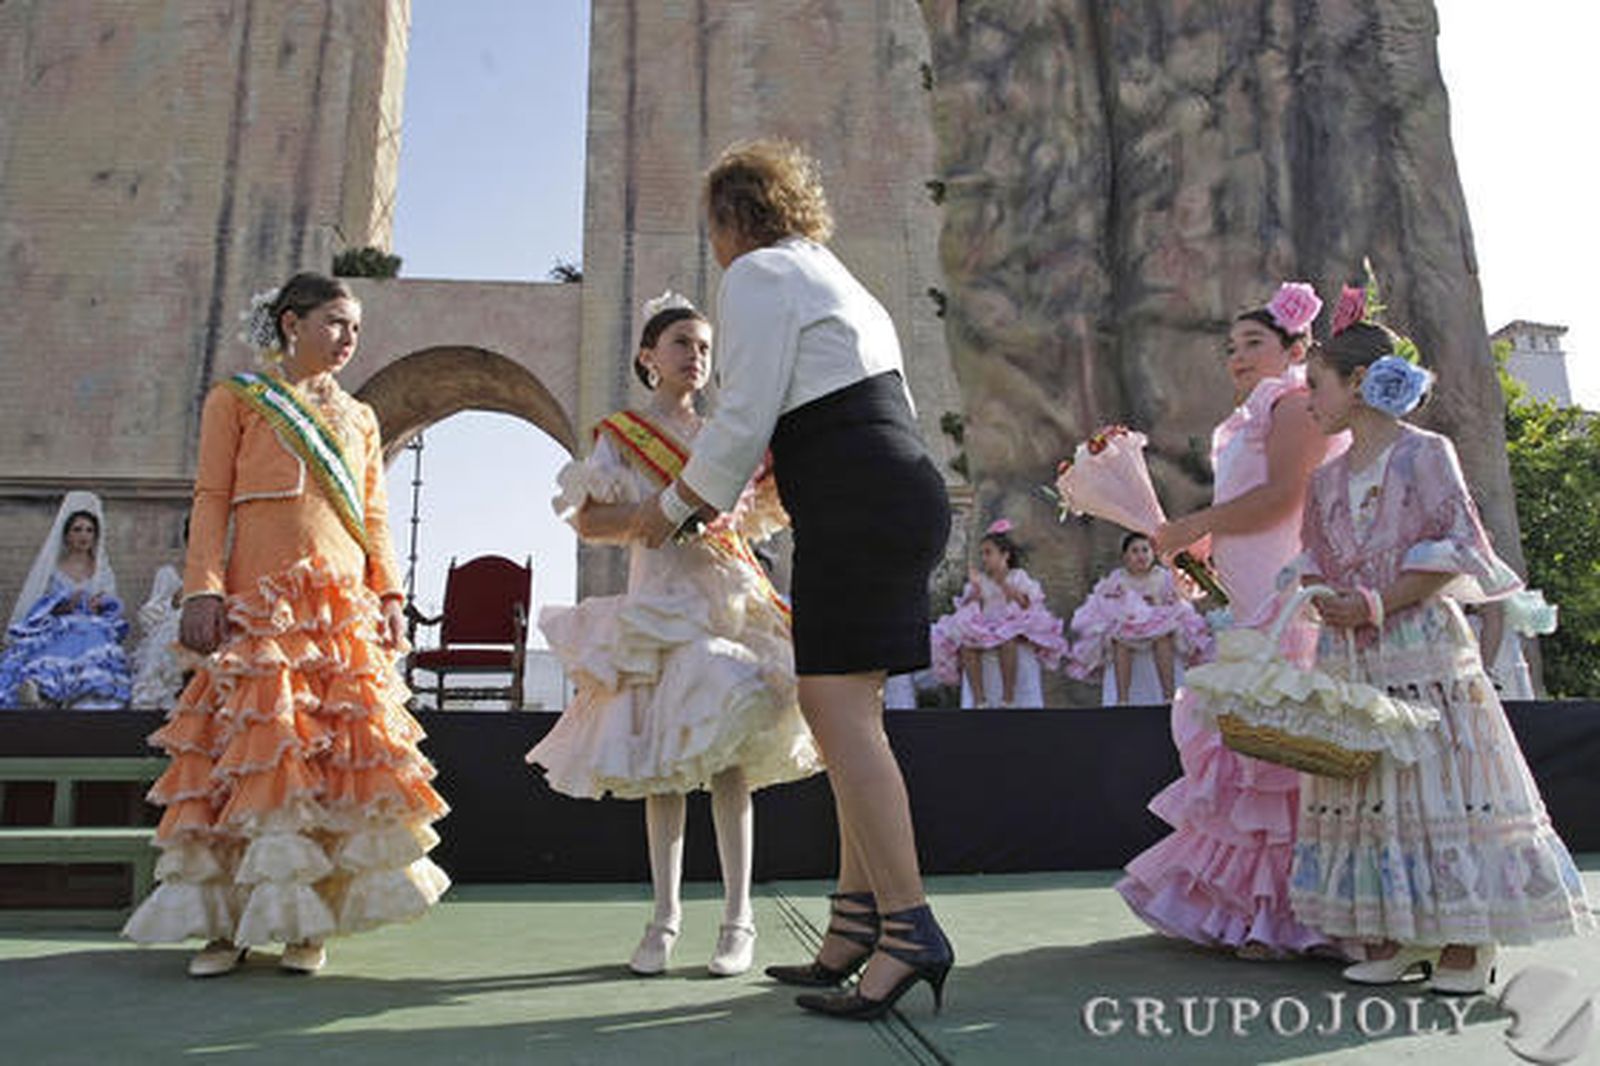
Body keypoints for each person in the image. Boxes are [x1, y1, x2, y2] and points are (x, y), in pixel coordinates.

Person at [634, 139, 953, 1019]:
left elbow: (743, 413)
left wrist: (675, 508)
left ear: (733, 217)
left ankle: (908, 927)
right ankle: (855, 923)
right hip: (898, 490)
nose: (718, 249)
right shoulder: (842, 281)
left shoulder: (760, 274)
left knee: (838, 713)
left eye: (714, 230)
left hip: (855, 502)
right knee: (852, 713)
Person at [122, 273, 449, 977]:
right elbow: (211, 497)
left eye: (355, 328)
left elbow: (376, 516)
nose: (348, 339)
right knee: (253, 758)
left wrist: (388, 595)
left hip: (335, 610)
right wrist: (202, 588)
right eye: (335, 322)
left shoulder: (360, 418)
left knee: (331, 763)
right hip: (260, 599)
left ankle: (308, 923)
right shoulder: (237, 400)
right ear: (292, 323)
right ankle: (227, 927)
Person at [1290, 318, 1591, 993]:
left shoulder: (1425, 453)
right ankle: (1400, 938)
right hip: (1352, 657)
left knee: (1441, 782)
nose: (1308, 399)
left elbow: (1455, 545)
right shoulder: (1325, 479)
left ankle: (1466, 944)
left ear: (1358, 383)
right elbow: (1311, 559)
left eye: (1316, 384)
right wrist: (1320, 597)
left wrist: (1374, 603)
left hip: (1419, 648)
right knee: (1373, 787)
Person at [527, 292, 820, 978]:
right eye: (683, 343)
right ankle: (664, 918)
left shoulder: (730, 434)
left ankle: (738, 919)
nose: (697, 357)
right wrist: (666, 513)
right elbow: (593, 522)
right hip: (659, 604)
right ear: (648, 357)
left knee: (728, 762)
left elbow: (753, 521)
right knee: (663, 767)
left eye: (706, 347)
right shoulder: (621, 435)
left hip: (726, 604)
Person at [1118, 282, 1346, 957]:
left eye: (1254, 343)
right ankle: (1260, 911)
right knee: (1254, 752)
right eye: (1232, 347)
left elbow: (1283, 499)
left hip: (1288, 597)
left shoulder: (1296, 403)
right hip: (1250, 594)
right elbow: (1251, 502)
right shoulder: (1251, 415)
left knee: (1286, 749)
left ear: (1295, 349)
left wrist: (1195, 523)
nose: (1238, 357)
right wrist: (1202, 547)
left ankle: (1300, 914)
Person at [0, 491, 132, 709]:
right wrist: (62, 605)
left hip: (94, 629)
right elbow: (38, 605)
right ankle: (44, 691)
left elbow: (113, 606)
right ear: (66, 534)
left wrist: (100, 604)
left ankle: (88, 698)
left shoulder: (102, 570)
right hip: (59, 627)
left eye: (89, 530)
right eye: (77, 529)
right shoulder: (52, 569)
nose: (84, 535)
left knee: (92, 636)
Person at [930, 519, 1069, 708]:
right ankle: (979, 699)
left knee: (1007, 641)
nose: (984, 558)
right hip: (987, 625)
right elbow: (969, 607)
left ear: (1005, 555)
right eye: (982, 554)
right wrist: (976, 592)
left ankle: (1008, 696)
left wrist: (1002, 582)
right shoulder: (982, 580)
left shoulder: (1017, 576)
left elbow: (1024, 602)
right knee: (967, 647)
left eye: (989, 553)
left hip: (1012, 624)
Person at [1065, 531, 1213, 703]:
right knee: (1119, 642)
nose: (1141, 555)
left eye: (1145, 550)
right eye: (1134, 551)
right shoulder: (1119, 578)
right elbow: (1105, 598)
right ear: (1125, 557)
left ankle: (1169, 695)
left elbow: (1174, 598)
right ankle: (1123, 699)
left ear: (1153, 554)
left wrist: (1157, 601)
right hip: (1128, 624)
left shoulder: (1161, 576)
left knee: (1164, 639)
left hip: (1158, 623)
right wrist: (1122, 602)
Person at [129, 520, 194, 708]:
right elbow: (151, 615)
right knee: (172, 631)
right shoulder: (168, 573)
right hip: (174, 626)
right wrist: (173, 602)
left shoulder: (221, 572)